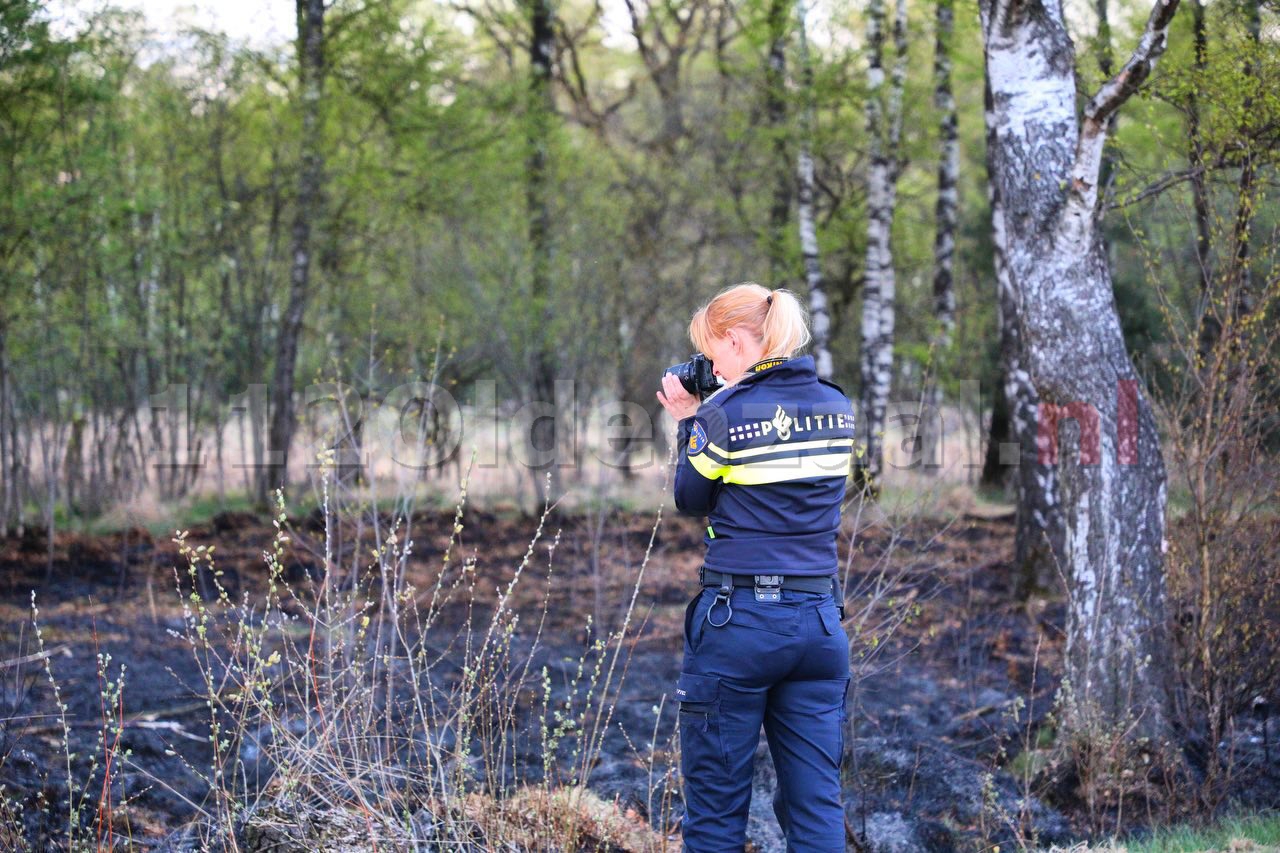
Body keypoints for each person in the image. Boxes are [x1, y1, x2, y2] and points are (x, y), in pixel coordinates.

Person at [655, 282, 855, 852]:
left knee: (717, 811)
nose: (711, 366)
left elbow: (691, 498)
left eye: (714, 351)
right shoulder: (836, 406)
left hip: (737, 624)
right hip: (819, 625)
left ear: (740, 340)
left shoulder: (724, 415)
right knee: (816, 807)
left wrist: (690, 419)